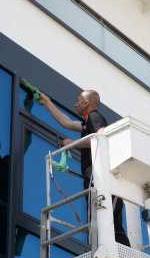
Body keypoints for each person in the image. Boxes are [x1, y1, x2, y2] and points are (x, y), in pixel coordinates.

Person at [39, 90, 131, 247]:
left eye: (79, 100)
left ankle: (117, 250)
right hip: (97, 178)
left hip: (101, 177)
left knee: (109, 220)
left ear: (87, 103)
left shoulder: (94, 117)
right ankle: (105, 249)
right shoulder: (87, 122)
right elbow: (66, 122)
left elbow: (100, 136)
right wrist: (47, 102)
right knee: (102, 218)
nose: (75, 103)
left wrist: (72, 144)